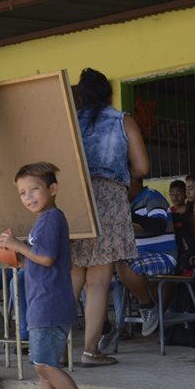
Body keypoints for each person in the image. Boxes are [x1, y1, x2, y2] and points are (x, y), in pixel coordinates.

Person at [0, 162, 109, 389]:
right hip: (42, 304)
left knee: (45, 365)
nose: (28, 197)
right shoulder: (43, 221)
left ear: (53, 189)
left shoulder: (51, 219)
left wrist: (16, 245)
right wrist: (16, 255)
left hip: (49, 305)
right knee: (44, 367)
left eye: (34, 189)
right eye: (22, 193)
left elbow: (45, 258)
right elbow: (39, 261)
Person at [71, 68, 150, 367]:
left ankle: (56, 350)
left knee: (73, 276)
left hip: (77, 198)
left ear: (80, 97)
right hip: (110, 198)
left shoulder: (71, 120)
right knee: (98, 281)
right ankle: (90, 351)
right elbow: (142, 168)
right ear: (109, 94)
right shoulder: (122, 119)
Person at [100, 184, 177, 350]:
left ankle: (147, 305)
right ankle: (104, 326)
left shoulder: (152, 197)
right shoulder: (123, 203)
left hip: (162, 255)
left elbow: (159, 226)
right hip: (138, 256)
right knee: (96, 270)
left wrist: (131, 217)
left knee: (123, 263)